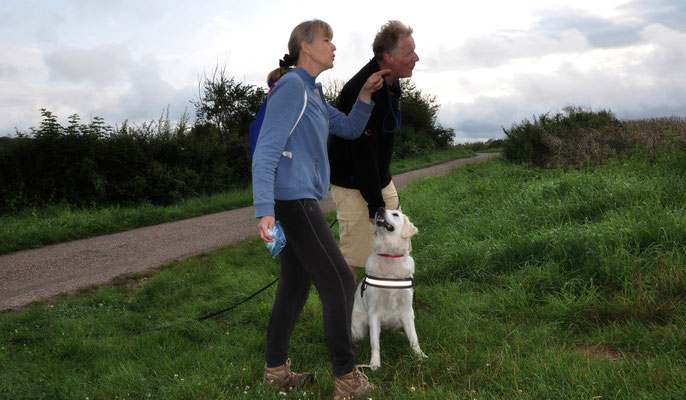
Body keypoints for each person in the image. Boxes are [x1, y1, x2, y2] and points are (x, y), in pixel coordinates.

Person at [251, 19, 390, 399]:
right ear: (305, 47)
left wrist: (364, 95)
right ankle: (346, 380)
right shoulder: (292, 88)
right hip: (292, 199)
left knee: (295, 285)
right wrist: (265, 208)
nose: (334, 45)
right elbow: (265, 150)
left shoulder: (312, 92)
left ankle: (275, 370)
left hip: (299, 198)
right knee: (340, 281)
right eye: (327, 39)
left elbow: (346, 128)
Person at [328, 20, 419, 281]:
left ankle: (397, 297)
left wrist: (381, 189)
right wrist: (375, 206)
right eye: (409, 53)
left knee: (399, 239)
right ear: (388, 57)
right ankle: (347, 313)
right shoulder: (360, 89)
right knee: (355, 253)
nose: (416, 58)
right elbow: (361, 152)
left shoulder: (391, 84)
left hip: (379, 178)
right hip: (352, 182)